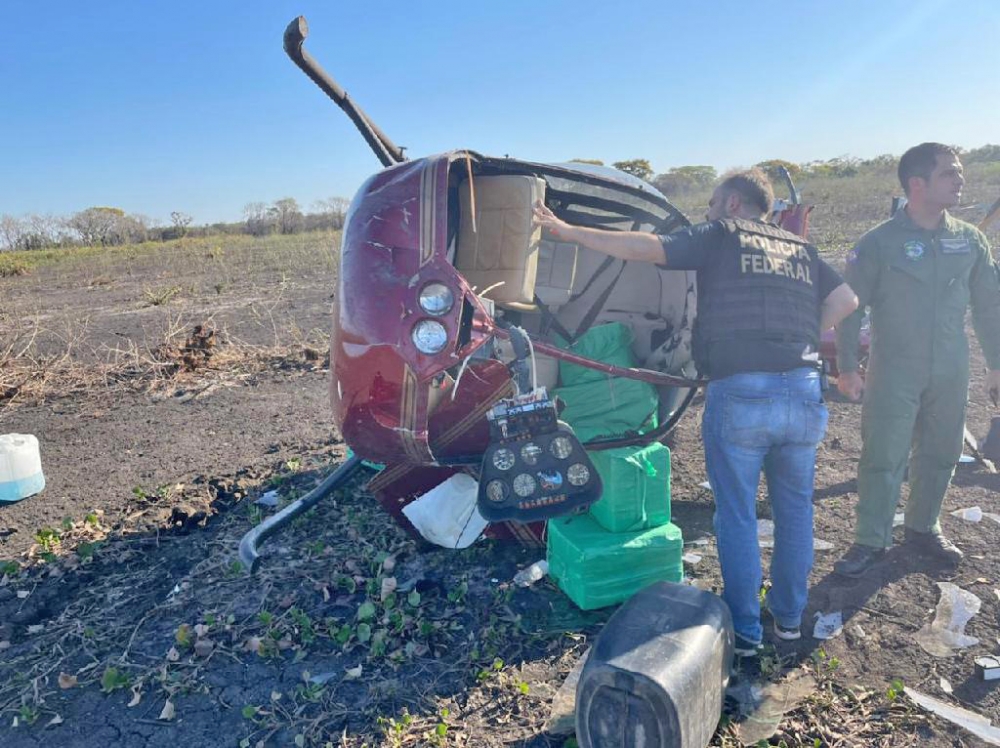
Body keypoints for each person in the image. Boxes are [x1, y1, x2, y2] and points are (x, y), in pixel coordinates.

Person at [534, 169, 858, 655]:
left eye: (710, 204)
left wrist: (569, 231)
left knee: (737, 514)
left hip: (742, 389)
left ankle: (746, 632)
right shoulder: (800, 249)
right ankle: (789, 622)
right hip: (803, 389)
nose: (706, 212)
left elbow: (648, 248)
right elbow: (846, 299)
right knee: (795, 513)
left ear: (731, 204)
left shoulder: (721, 234)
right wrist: (804, 338)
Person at [833, 143, 1000, 577]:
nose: (960, 180)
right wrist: (847, 367)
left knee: (942, 451)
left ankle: (923, 528)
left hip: (951, 367)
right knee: (884, 455)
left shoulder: (969, 239)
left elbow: (989, 305)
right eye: (949, 173)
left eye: (960, 172)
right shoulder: (877, 243)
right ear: (916, 183)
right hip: (894, 368)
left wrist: (996, 364)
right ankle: (871, 539)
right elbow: (851, 307)